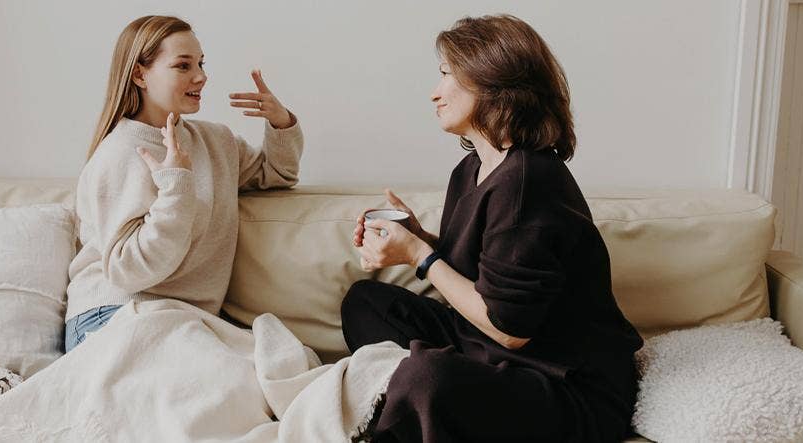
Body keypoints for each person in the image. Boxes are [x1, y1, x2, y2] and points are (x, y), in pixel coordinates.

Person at [342, 14, 643, 442]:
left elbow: (510, 328)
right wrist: (416, 236)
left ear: (491, 82)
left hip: (564, 386)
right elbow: (485, 266)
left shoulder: (527, 182)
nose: (434, 92)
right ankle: (429, 404)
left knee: (427, 377)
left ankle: (419, 401)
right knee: (366, 303)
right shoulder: (473, 169)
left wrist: (419, 256)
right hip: (487, 352)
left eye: (446, 75)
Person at [65, 15, 303, 353]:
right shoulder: (118, 154)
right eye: (183, 65)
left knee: (277, 362)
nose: (201, 76)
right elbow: (128, 272)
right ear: (139, 74)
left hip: (181, 320)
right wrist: (176, 186)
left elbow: (277, 174)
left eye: (201, 63)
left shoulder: (215, 141)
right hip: (112, 315)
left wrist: (281, 122)